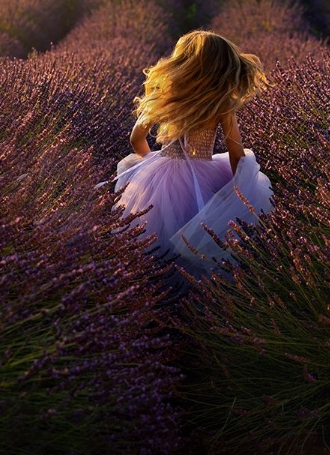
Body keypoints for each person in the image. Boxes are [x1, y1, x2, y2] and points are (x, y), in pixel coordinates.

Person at [112, 30, 273, 279]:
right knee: (199, 240)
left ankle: (154, 291)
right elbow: (236, 154)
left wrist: (151, 166)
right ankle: (197, 300)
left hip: (161, 171)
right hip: (204, 174)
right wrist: (237, 189)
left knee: (151, 237)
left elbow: (136, 138)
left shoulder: (167, 96)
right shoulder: (221, 103)